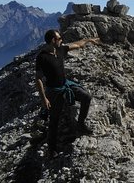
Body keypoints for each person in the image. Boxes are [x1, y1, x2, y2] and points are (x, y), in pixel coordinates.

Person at [35, 29, 100, 158]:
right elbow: (38, 78)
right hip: (54, 91)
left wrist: (88, 40)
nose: (62, 40)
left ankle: (80, 124)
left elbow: (77, 44)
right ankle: (52, 149)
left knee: (86, 97)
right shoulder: (42, 57)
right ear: (53, 40)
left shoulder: (60, 50)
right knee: (54, 119)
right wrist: (44, 99)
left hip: (66, 85)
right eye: (59, 38)